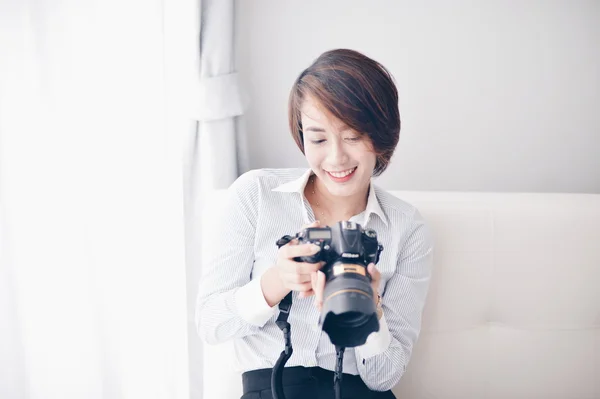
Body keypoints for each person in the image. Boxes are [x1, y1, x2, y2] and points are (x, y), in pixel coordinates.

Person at [196, 49, 434, 399]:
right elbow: (210, 324)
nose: (336, 157)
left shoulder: (407, 227)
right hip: (270, 388)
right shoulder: (257, 195)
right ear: (301, 134)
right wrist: (275, 282)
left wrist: (370, 310)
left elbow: (384, 377)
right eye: (319, 138)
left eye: (353, 136)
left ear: (381, 136)